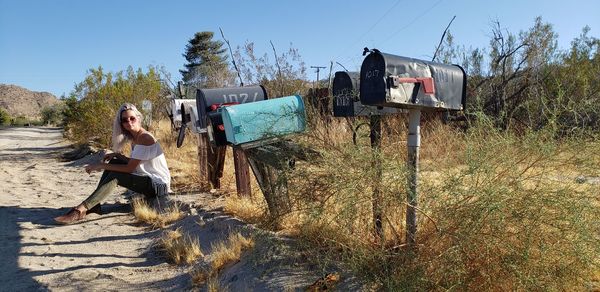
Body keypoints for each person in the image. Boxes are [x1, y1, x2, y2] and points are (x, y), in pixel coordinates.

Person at [55, 103, 171, 224]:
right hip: (149, 179)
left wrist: (100, 165)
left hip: (159, 185)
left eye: (132, 118)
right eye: (125, 120)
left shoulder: (144, 137)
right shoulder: (135, 138)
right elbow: (138, 163)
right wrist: (117, 155)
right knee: (115, 161)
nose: (129, 122)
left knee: (117, 175)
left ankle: (81, 209)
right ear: (121, 124)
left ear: (139, 118)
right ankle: (94, 205)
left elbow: (130, 169)